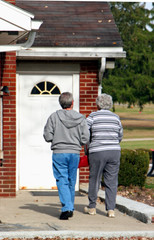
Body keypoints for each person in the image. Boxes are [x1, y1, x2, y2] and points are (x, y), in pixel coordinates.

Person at [43, 92, 90, 220]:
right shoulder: (81, 118)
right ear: (72, 102)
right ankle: (69, 207)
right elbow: (86, 138)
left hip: (59, 152)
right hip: (74, 152)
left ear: (60, 103)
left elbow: (47, 136)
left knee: (62, 179)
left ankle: (67, 208)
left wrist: (57, 138)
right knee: (71, 180)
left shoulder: (53, 117)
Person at [84, 93, 123, 218]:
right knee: (111, 181)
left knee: (94, 179)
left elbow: (85, 133)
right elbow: (120, 135)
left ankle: (92, 207)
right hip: (114, 151)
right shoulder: (116, 117)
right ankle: (111, 209)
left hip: (97, 151)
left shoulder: (92, 116)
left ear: (98, 104)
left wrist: (88, 146)